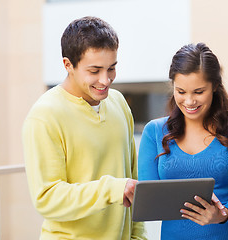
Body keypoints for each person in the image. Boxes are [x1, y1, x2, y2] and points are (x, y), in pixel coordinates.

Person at [22, 16, 146, 240]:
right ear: (68, 65)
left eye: (111, 68)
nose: (106, 80)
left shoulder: (118, 103)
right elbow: (47, 198)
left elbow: (132, 182)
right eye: (95, 70)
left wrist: (139, 237)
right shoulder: (44, 115)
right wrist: (112, 189)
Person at [138, 43, 228, 240]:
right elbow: (149, 197)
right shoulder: (154, 132)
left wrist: (222, 214)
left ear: (215, 87)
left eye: (198, 91)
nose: (189, 101)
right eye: (181, 91)